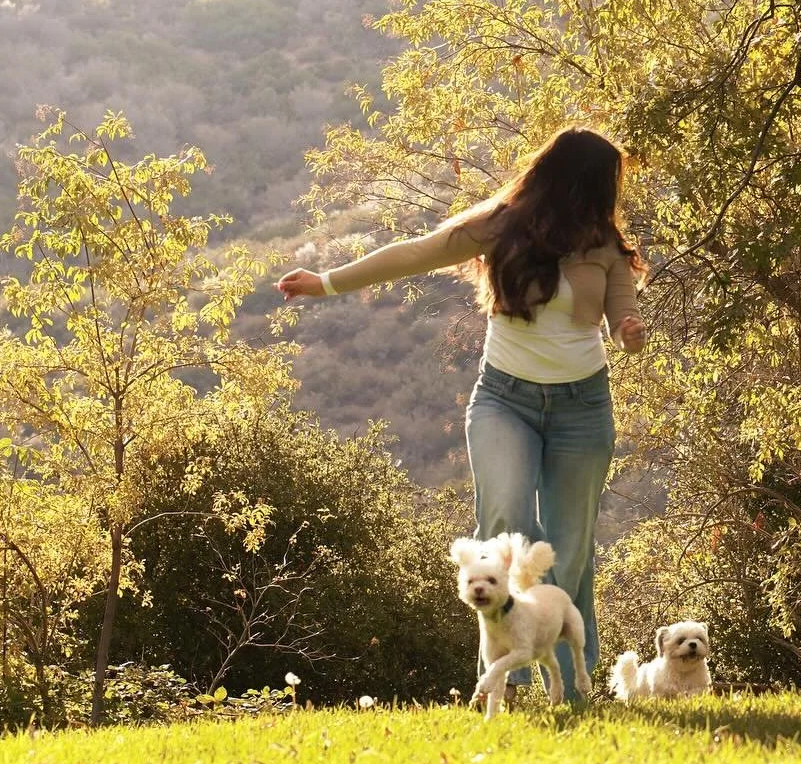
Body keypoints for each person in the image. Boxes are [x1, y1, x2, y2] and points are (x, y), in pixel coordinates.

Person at [276, 127, 647, 701]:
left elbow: (622, 315)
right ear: (575, 183)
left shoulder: (603, 243)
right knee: (504, 524)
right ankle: (504, 679)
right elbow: (417, 252)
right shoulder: (501, 225)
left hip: (582, 407)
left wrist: (628, 331)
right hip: (505, 399)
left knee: (570, 548)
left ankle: (569, 683)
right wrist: (326, 282)